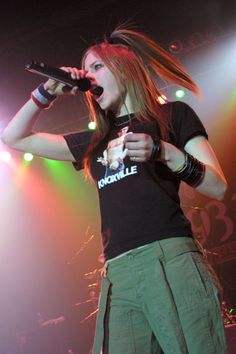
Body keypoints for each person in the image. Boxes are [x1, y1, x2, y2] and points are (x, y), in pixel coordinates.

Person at [1, 24, 228, 354]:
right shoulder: (94, 141)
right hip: (118, 275)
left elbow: (218, 187)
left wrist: (165, 151)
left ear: (124, 69)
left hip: (168, 258)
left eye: (97, 67)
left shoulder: (172, 115)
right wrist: (46, 92)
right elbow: (13, 138)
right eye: (86, 70)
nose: (89, 77)